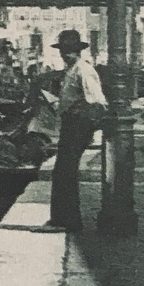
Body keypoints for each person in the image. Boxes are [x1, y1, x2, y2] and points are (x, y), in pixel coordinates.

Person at [43, 29, 107, 234]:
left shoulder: (83, 70)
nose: (65, 54)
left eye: (68, 50)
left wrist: (82, 121)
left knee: (65, 171)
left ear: (77, 51)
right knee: (62, 171)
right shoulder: (72, 70)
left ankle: (67, 221)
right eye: (63, 50)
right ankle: (62, 218)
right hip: (71, 123)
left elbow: (97, 101)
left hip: (77, 125)